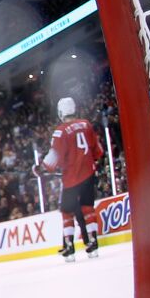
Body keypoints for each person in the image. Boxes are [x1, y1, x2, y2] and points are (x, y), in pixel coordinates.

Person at [38, 96, 105, 261]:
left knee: (67, 211)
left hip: (72, 179)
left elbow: (54, 157)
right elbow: (98, 151)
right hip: (89, 174)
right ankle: (93, 243)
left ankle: (69, 246)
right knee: (87, 208)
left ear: (61, 112)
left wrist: (40, 168)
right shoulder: (86, 125)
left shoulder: (61, 131)